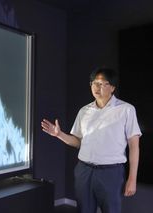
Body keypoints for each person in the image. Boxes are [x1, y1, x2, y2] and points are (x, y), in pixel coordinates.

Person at [41, 68, 141, 213]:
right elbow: (78, 142)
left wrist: (132, 179)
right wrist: (59, 134)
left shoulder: (126, 110)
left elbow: (134, 146)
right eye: (94, 83)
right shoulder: (84, 111)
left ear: (112, 87)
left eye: (102, 84)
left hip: (111, 172)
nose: (96, 87)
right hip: (84, 171)